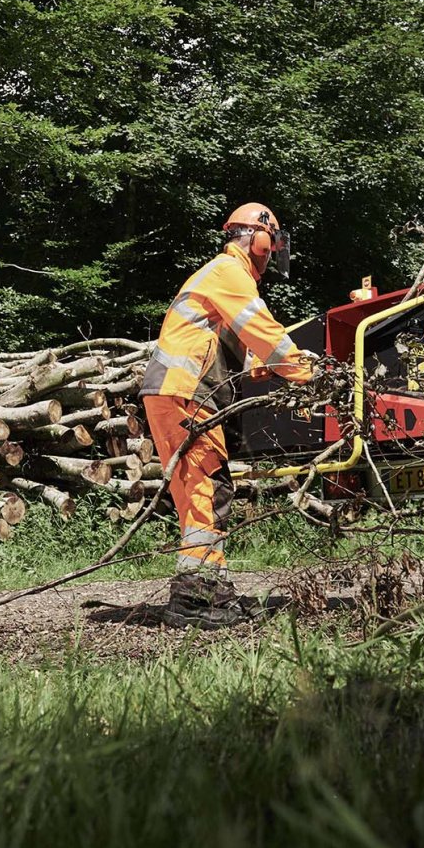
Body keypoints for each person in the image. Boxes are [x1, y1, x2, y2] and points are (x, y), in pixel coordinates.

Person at [139, 202, 316, 628]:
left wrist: (278, 366)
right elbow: (267, 337)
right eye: (270, 244)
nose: (271, 253)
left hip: (181, 392)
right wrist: (307, 371)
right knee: (205, 492)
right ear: (256, 238)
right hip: (185, 392)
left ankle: (207, 589)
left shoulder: (224, 279)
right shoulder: (229, 274)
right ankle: (195, 602)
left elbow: (246, 352)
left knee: (205, 493)